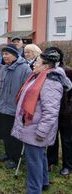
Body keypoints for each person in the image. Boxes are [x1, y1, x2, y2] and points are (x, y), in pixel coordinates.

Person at [11, 49, 72, 193]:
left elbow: (50, 112)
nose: (33, 64)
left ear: (46, 66)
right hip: (32, 126)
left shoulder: (50, 82)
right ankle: (43, 182)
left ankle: (34, 190)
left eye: (37, 62)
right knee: (40, 156)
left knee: (33, 162)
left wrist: (41, 131)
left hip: (36, 128)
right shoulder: (39, 76)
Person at [0, 44, 32, 169]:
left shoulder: (25, 69)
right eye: (3, 54)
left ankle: (14, 158)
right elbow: (0, 87)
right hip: (3, 107)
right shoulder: (4, 68)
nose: (4, 56)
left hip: (16, 108)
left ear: (15, 55)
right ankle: (7, 153)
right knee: (5, 132)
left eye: (7, 54)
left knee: (15, 134)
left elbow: (27, 92)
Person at [46, 47, 72, 176]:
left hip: (66, 113)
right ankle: (51, 161)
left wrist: (68, 106)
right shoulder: (46, 72)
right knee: (52, 138)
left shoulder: (67, 71)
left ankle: (68, 165)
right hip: (51, 110)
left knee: (66, 140)